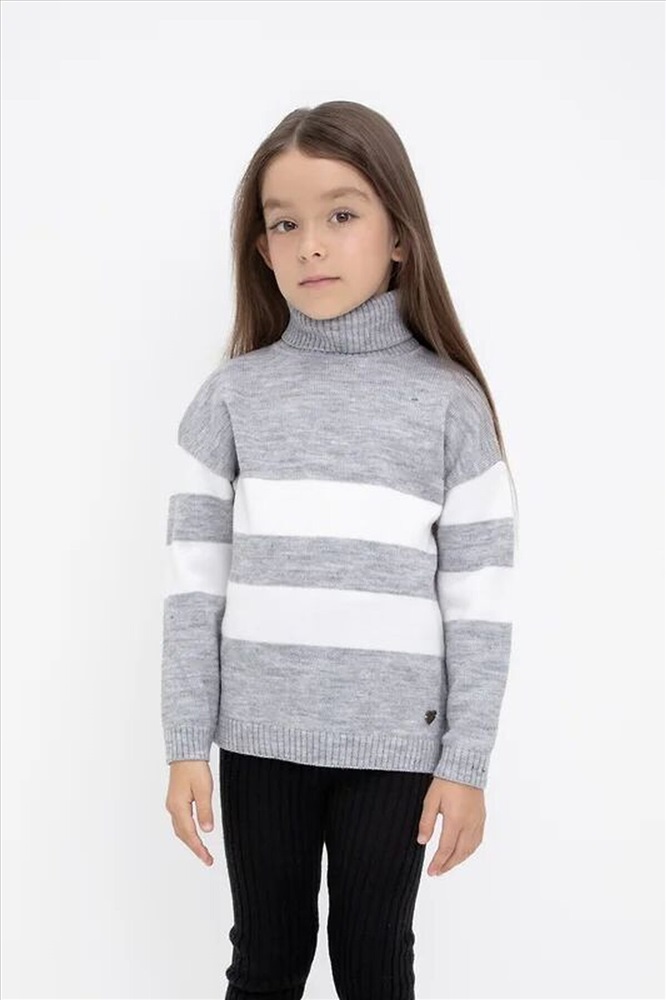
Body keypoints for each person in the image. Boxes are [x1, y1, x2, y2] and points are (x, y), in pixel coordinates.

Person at [161, 100, 518, 1000]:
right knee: (265, 961)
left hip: (397, 746)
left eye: (342, 214)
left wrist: (466, 763)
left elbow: (479, 602)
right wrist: (186, 744)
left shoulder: (450, 406)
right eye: (285, 224)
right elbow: (193, 587)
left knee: (374, 962)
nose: (310, 245)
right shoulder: (231, 399)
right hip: (259, 740)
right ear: (261, 247)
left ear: (400, 236)